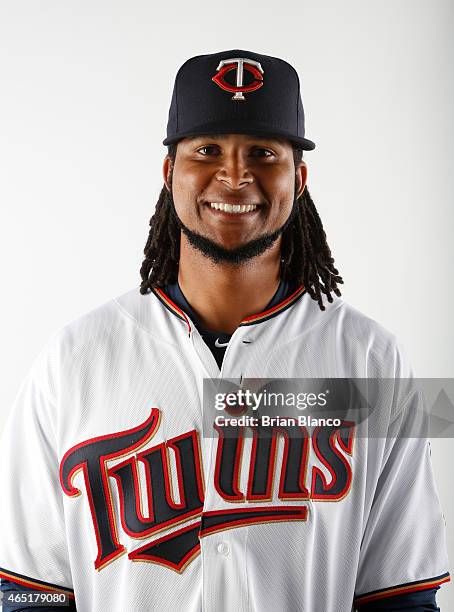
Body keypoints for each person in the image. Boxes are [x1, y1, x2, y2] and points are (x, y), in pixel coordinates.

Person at [0, 49, 450, 612]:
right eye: (207, 150)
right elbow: (29, 596)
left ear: (299, 177)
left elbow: (400, 597)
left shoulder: (372, 361)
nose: (235, 175)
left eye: (262, 153)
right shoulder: (73, 362)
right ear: (169, 172)